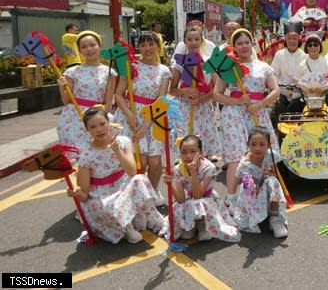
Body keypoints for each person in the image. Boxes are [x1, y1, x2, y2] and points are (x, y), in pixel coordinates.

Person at [66, 106, 165, 244]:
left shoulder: (123, 141)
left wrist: (117, 151)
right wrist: (75, 192)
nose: (99, 129)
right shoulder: (86, 156)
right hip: (102, 196)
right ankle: (127, 229)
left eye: (102, 124)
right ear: (87, 130)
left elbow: (132, 171)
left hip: (123, 186)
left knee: (140, 179)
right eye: (93, 127)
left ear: (109, 123)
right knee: (108, 204)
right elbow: (84, 196)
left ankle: (155, 221)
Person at [213, 28, 280, 210]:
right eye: (239, 43)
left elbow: (275, 91)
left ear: (252, 43)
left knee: (262, 154)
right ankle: (232, 198)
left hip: (257, 113)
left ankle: (265, 195)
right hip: (233, 115)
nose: (243, 46)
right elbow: (217, 94)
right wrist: (238, 100)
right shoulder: (227, 67)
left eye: (246, 42)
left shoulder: (264, 67)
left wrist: (259, 105)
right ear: (234, 46)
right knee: (237, 156)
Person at [114, 33, 171, 205]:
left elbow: (161, 100)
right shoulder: (130, 66)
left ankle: (152, 193)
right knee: (140, 160)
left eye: (151, 44)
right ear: (138, 47)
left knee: (155, 162)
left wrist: (145, 126)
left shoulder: (164, 71)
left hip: (154, 117)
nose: (147, 48)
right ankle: (135, 195)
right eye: (143, 45)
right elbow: (118, 94)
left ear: (157, 46)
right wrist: (130, 115)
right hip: (130, 115)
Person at [161, 135, 240, 242]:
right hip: (190, 200)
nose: (188, 156)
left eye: (193, 151)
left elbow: (198, 195)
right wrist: (169, 185)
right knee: (185, 233)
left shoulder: (209, 167)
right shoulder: (178, 168)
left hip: (207, 200)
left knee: (198, 203)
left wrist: (193, 173)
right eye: (183, 152)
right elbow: (181, 200)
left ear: (200, 153)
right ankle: (193, 225)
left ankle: (204, 224)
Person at [56, 31, 117, 151]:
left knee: (98, 154)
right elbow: (66, 101)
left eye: (92, 45)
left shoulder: (110, 72)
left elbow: (108, 103)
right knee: (76, 156)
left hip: (97, 119)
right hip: (73, 118)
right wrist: (61, 87)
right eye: (84, 47)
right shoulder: (71, 72)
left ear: (100, 46)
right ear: (79, 51)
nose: (89, 49)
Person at [170, 26, 221, 162]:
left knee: (205, 131)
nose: (193, 42)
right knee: (186, 130)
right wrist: (184, 91)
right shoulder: (179, 63)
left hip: (204, 104)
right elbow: (172, 89)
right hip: (185, 105)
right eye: (190, 39)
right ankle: (184, 156)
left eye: (196, 39)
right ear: (184, 41)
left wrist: (202, 99)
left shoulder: (209, 62)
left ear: (201, 41)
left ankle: (206, 154)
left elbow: (216, 88)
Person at [233, 126, 288, 238]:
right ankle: (255, 216)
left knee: (273, 182)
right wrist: (254, 187)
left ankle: (275, 218)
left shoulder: (271, 155)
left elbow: (275, 173)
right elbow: (246, 184)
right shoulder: (245, 164)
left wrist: (270, 173)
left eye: (262, 144)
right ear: (248, 144)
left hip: (266, 186)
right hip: (251, 191)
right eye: (253, 144)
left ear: (268, 145)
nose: (257, 148)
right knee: (253, 187)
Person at [270, 21, 306, 118]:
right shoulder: (279, 55)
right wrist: (275, 92)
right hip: (282, 91)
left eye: (294, 38)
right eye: (289, 38)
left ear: (299, 39)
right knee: (279, 108)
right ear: (285, 39)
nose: (292, 41)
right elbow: (274, 75)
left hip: (299, 93)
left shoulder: (304, 55)